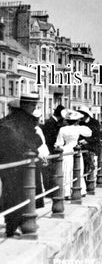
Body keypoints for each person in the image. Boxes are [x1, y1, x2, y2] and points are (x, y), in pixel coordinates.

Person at [0, 93, 43, 237]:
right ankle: (18, 225)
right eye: (32, 105)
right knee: (22, 194)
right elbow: (35, 141)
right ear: (25, 105)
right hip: (21, 163)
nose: (34, 108)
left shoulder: (6, 120)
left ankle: (13, 225)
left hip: (8, 163)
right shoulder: (26, 121)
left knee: (11, 193)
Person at [54, 109, 92, 198]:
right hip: (76, 150)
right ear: (77, 120)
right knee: (78, 169)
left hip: (66, 150)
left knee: (67, 171)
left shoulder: (62, 129)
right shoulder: (78, 129)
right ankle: (80, 190)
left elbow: (58, 143)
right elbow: (89, 133)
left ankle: (66, 193)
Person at [77, 106, 101, 187]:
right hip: (83, 148)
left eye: (82, 115)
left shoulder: (95, 122)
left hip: (92, 147)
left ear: (86, 115)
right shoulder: (80, 123)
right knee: (82, 166)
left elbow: (97, 136)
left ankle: (91, 185)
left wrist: (87, 140)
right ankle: (85, 184)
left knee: (92, 165)